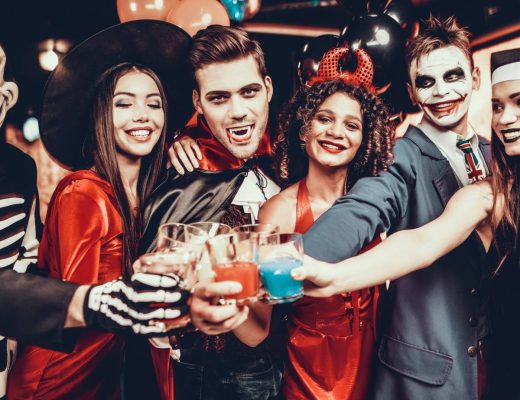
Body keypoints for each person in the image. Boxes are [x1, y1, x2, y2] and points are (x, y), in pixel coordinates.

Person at [293, 46, 520, 399]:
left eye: (453, 76)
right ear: (411, 92)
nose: (442, 91)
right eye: (427, 81)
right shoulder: (415, 161)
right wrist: (306, 264)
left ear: (474, 78)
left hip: (495, 364)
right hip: (425, 376)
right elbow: (409, 235)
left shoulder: (498, 157)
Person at [6, 20, 195, 399]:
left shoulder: (151, 191)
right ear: (101, 115)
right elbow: (82, 309)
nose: (142, 115)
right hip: (61, 377)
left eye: (153, 103)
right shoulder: (84, 194)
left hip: (107, 372)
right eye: (124, 103)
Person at [134, 25, 282, 400]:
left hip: (286, 364)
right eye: (219, 98)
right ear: (198, 104)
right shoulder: (182, 173)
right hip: (206, 374)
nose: (237, 112)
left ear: (268, 88)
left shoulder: (287, 159)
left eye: (249, 92)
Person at [256, 69, 393, 399]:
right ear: (304, 129)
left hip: (377, 368)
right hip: (309, 376)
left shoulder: (374, 203)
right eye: (324, 119)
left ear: (364, 141)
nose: (336, 132)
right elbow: (258, 325)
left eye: (351, 125)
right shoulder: (281, 210)